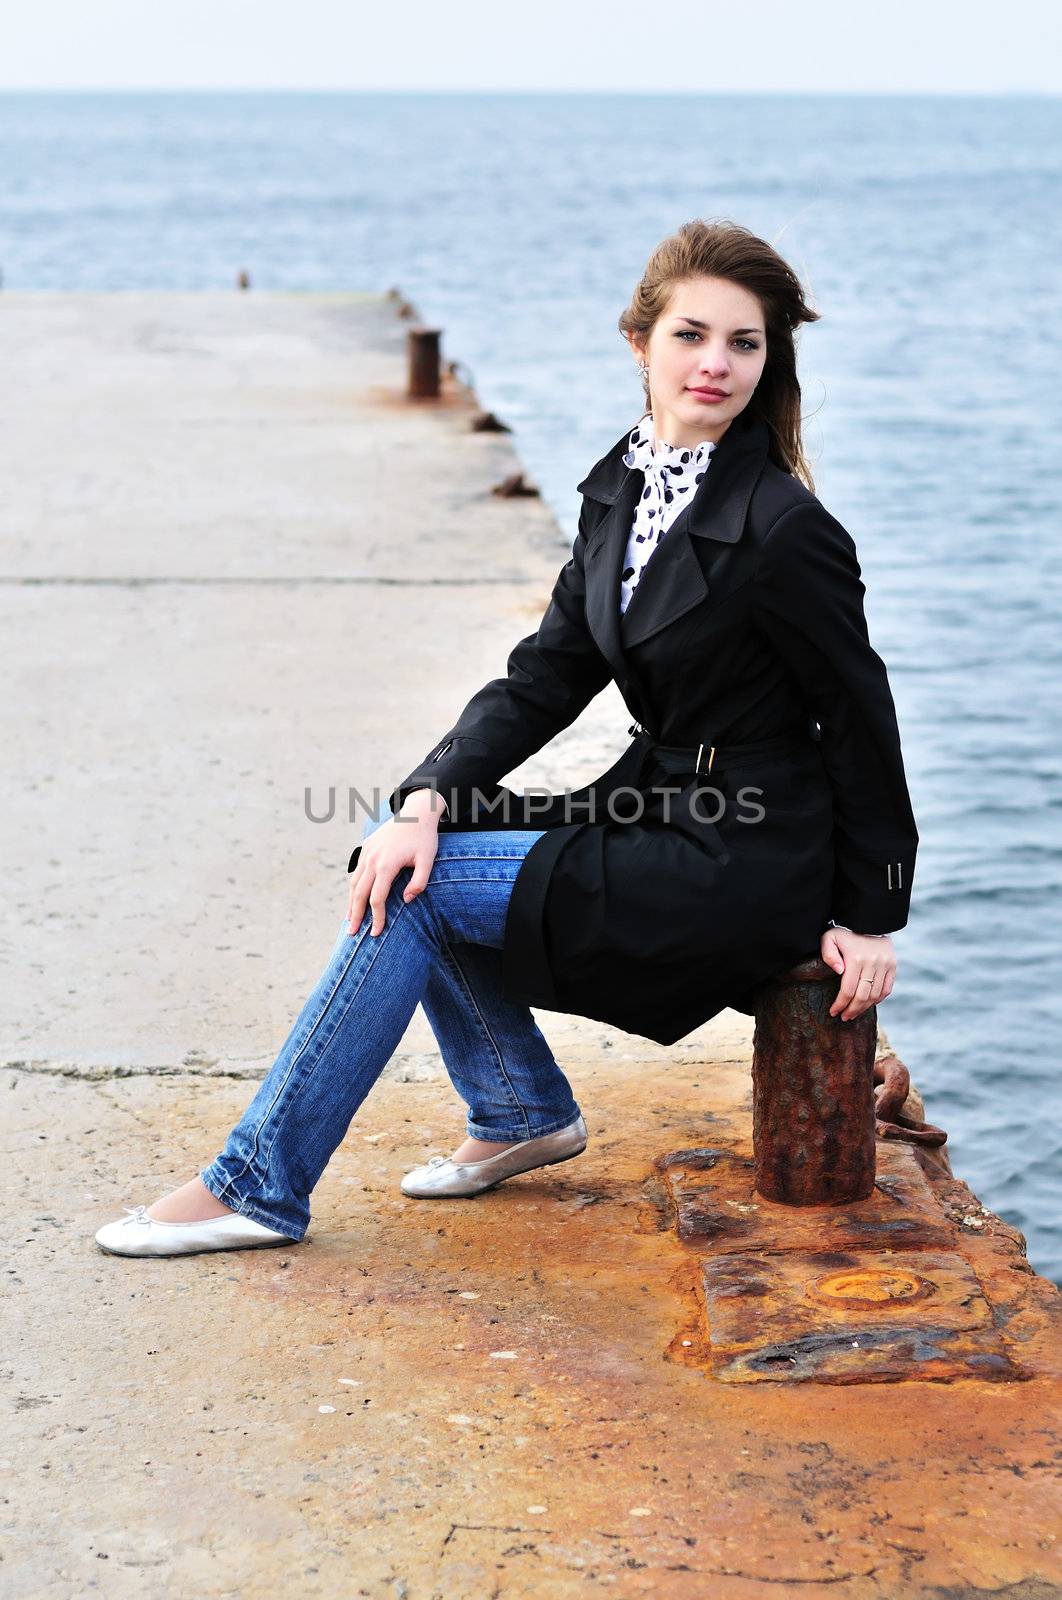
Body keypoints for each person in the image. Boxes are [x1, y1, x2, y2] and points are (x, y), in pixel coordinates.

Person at [95, 218, 918, 1259]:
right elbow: (548, 674)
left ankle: (260, 1181)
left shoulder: (787, 528)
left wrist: (870, 910)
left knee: (417, 888)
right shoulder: (620, 487)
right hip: (659, 809)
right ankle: (519, 1109)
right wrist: (427, 793)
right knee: (398, 839)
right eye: (692, 334)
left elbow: (858, 710)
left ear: (770, 358)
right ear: (640, 341)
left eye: (744, 343)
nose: (715, 363)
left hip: (744, 852)